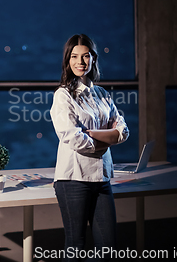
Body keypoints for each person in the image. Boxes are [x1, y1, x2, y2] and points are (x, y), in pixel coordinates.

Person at [50, 34, 129, 261]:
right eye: (74, 57)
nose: (80, 62)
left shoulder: (102, 94)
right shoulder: (63, 96)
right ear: (67, 60)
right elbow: (73, 138)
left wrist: (95, 134)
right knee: (76, 246)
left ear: (93, 59)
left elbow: (123, 130)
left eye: (85, 56)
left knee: (108, 247)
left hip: (101, 178)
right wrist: (109, 137)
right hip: (73, 179)